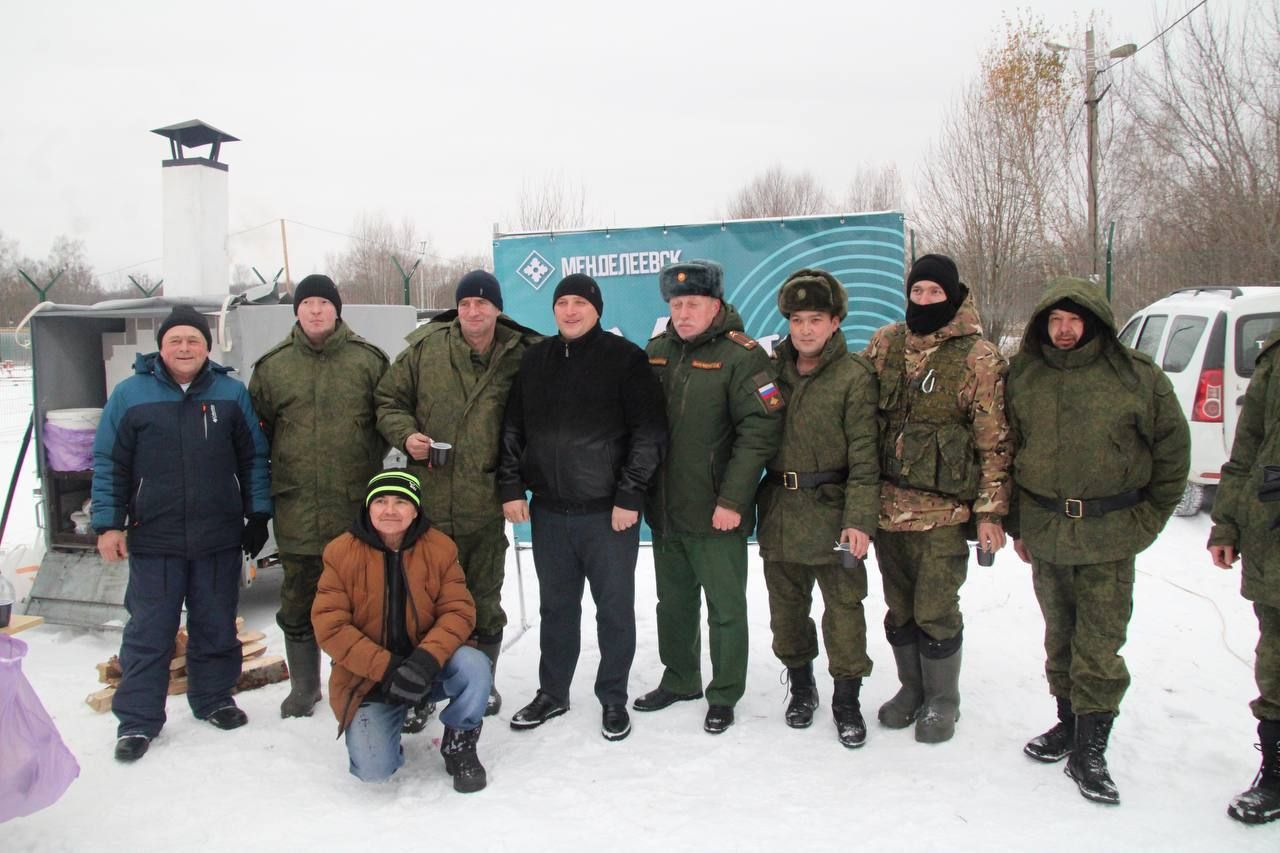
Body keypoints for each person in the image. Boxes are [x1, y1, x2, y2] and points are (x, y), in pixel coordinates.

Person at [1007, 278, 1189, 806]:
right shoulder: (1026, 375)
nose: (1064, 331)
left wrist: (1150, 517)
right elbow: (1012, 447)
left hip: (1110, 533)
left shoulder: (1135, 377)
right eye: (1055, 321)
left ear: (1096, 323)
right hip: (1047, 531)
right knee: (1059, 636)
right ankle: (1068, 724)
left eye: (1075, 320)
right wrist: (1020, 522)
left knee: (1099, 646)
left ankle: (1092, 748)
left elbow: (1173, 451)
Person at [90, 304, 271, 763]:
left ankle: (214, 699)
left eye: (193, 340)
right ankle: (137, 720)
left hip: (217, 533)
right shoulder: (131, 395)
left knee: (215, 623)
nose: (185, 347)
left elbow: (253, 457)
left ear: (207, 347)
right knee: (150, 631)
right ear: (161, 347)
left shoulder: (230, 393)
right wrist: (109, 524)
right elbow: (110, 462)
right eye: (176, 340)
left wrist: (256, 515)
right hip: (156, 536)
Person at [498, 274, 667, 741]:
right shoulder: (535, 362)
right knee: (556, 609)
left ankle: (612, 696)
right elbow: (513, 431)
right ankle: (552, 692)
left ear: (596, 308)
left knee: (613, 610)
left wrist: (630, 495)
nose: (570, 311)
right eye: (562, 303)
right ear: (553, 310)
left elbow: (648, 435)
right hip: (551, 514)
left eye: (579, 303)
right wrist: (511, 486)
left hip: (607, 515)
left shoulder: (625, 360)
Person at [375, 270, 540, 723]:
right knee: (418, 602)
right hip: (426, 504)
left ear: (498, 309)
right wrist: (407, 437)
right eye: (466, 303)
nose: (473, 311)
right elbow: (387, 401)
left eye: (483, 304)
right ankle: (420, 691)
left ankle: (480, 683)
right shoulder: (426, 349)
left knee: (483, 598)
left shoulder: (522, 354)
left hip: (485, 502)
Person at [863, 253, 1011, 745]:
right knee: (898, 609)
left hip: (943, 514)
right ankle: (911, 690)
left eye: (934, 293)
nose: (924, 301)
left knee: (935, 609)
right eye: (917, 292)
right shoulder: (886, 343)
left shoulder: (978, 356)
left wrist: (991, 512)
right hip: (886, 511)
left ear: (953, 295)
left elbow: (994, 442)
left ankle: (942, 700)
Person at [635, 259, 783, 734]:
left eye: (693, 304)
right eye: (676, 304)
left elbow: (760, 432)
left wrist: (733, 501)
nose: (683, 313)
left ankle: (724, 692)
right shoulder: (657, 351)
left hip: (717, 510)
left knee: (724, 609)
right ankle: (680, 677)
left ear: (715, 305)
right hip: (665, 508)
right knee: (672, 603)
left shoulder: (742, 357)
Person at [248, 273, 388, 719]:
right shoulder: (273, 367)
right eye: (306, 303)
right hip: (297, 509)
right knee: (298, 599)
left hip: (353, 505)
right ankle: (304, 688)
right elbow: (257, 435)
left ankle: (356, 679)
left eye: (323, 303)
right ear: (296, 311)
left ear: (337, 309)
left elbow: (385, 423)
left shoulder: (367, 361)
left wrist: (358, 460)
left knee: (361, 600)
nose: (315, 311)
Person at [755, 269, 879, 748]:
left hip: (834, 511)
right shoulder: (769, 371)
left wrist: (859, 521)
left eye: (816, 319)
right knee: (786, 611)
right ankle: (802, 687)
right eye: (797, 320)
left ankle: (846, 698)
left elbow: (867, 457)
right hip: (782, 511)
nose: (805, 330)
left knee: (844, 611)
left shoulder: (854, 377)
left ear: (835, 322)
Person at [312, 470, 491, 790]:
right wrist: (389, 668)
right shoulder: (340, 552)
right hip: (370, 678)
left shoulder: (440, 547)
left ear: (416, 508)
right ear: (368, 507)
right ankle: (392, 717)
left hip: (428, 666)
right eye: (380, 501)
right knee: (374, 770)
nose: (390, 510)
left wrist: (425, 660)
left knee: (474, 665)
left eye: (401, 501)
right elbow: (330, 625)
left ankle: (460, 742)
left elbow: (458, 611)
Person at [1208, 325, 1280, 825]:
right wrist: (1227, 523)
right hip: (1274, 529)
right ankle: (1275, 774)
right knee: (1275, 658)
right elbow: (1246, 450)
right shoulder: (1274, 359)